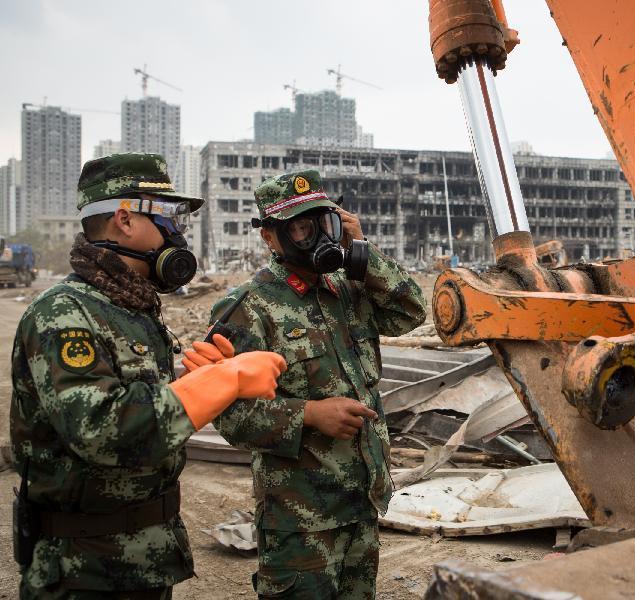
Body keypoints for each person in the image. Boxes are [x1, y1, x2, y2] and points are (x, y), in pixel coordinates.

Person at [10, 153, 287, 599]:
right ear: (124, 218)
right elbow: (101, 430)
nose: (178, 231)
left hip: (144, 561)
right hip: (85, 569)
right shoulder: (64, 314)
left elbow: (139, 404)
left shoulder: (127, 307)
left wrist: (193, 379)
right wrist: (226, 380)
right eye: (169, 215)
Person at [183, 170, 427, 599]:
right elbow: (226, 413)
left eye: (319, 222)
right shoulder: (248, 308)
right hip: (301, 517)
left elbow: (412, 312)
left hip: (362, 502)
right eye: (297, 228)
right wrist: (310, 415)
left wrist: (363, 253)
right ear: (270, 239)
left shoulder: (348, 288)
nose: (311, 236)